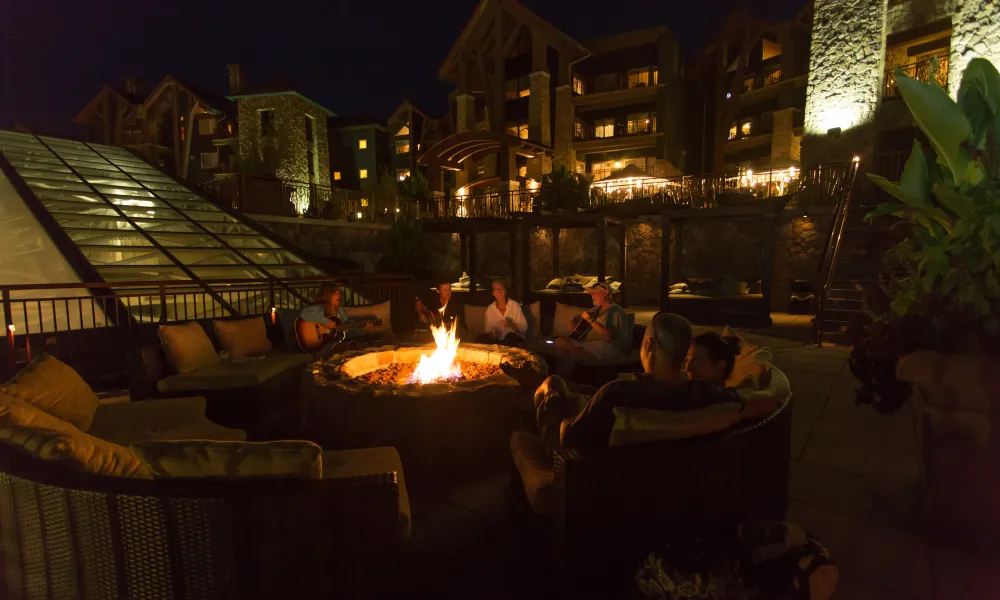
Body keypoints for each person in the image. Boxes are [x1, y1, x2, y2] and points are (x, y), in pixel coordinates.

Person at [502, 312, 742, 454]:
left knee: (551, 387)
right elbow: (744, 399)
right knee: (561, 385)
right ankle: (541, 385)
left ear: (648, 345)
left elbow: (570, 439)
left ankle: (536, 393)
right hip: (642, 456)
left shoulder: (616, 394)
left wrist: (558, 410)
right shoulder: (703, 393)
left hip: (577, 463)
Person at [547, 281, 630, 374]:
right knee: (559, 341)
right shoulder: (595, 310)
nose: (592, 295)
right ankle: (556, 375)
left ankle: (564, 379)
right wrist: (574, 321)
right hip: (594, 344)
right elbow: (576, 319)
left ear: (606, 292)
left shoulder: (615, 310)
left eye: (594, 293)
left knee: (574, 352)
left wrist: (590, 320)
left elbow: (608, 336)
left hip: (611, 347)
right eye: (591, 293)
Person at [299, 283, 377, 357]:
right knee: (353, 346)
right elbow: (304, 313)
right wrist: (326, 322)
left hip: (336, 344)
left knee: (364, 344)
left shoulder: (341, 312)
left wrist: (362, 329)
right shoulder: (318, 308)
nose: (339, 295)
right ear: (328, 295)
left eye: (339, 293)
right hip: (322, 348)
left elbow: (346, 333)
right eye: (336, 293)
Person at [477, 280, 528, 346]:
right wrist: (492, 334)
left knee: (510, 336)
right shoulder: (490, 309)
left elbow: (524, 328)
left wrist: (511, 324)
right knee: (480, 338)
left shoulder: (514, 305)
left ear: (505, 291)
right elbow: (488, 331)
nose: (499, 291)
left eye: (501, 288)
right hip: (497, 342)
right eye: (496, 289)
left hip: (513, 340)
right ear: (493, 293)